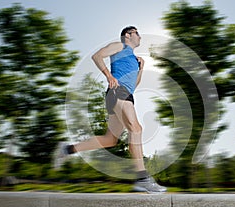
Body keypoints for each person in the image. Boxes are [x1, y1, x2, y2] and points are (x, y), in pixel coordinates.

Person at [54, 26, 167, 193]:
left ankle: (67, 149)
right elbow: (97, 56)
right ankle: (142, 178)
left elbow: (134, 86)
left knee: (110, 140)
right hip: (117, 92)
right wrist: (109, 75)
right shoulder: (120, 46)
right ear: (128, 35)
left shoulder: (134, 59)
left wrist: (141, 68)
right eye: (137, 33)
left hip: (126, 95)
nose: (140, 37)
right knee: (136, 129)